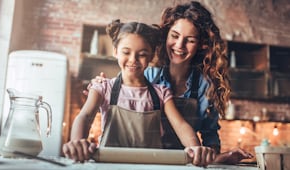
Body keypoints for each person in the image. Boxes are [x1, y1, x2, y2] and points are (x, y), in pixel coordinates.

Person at [89, 1, 253, 164]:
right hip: (148, 160)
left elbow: (209, 134)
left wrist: (214, 158)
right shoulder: (147, 73)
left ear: (202, 45)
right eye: (174, 36)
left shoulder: (205, 86)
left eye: (190, 40)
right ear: (166, 35)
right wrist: (99, 86)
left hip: (184, 163)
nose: (179, 45)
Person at [63, 19, 215, 166]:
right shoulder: (102, 88)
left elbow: (181, 126)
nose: (133, 59)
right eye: (126, 52)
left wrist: (195, 147)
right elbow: (84, 116)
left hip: (151, 166)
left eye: (141, 54)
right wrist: (77, 142)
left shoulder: (162, 93)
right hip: (109, 165)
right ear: (115, 52)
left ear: (151, 56)